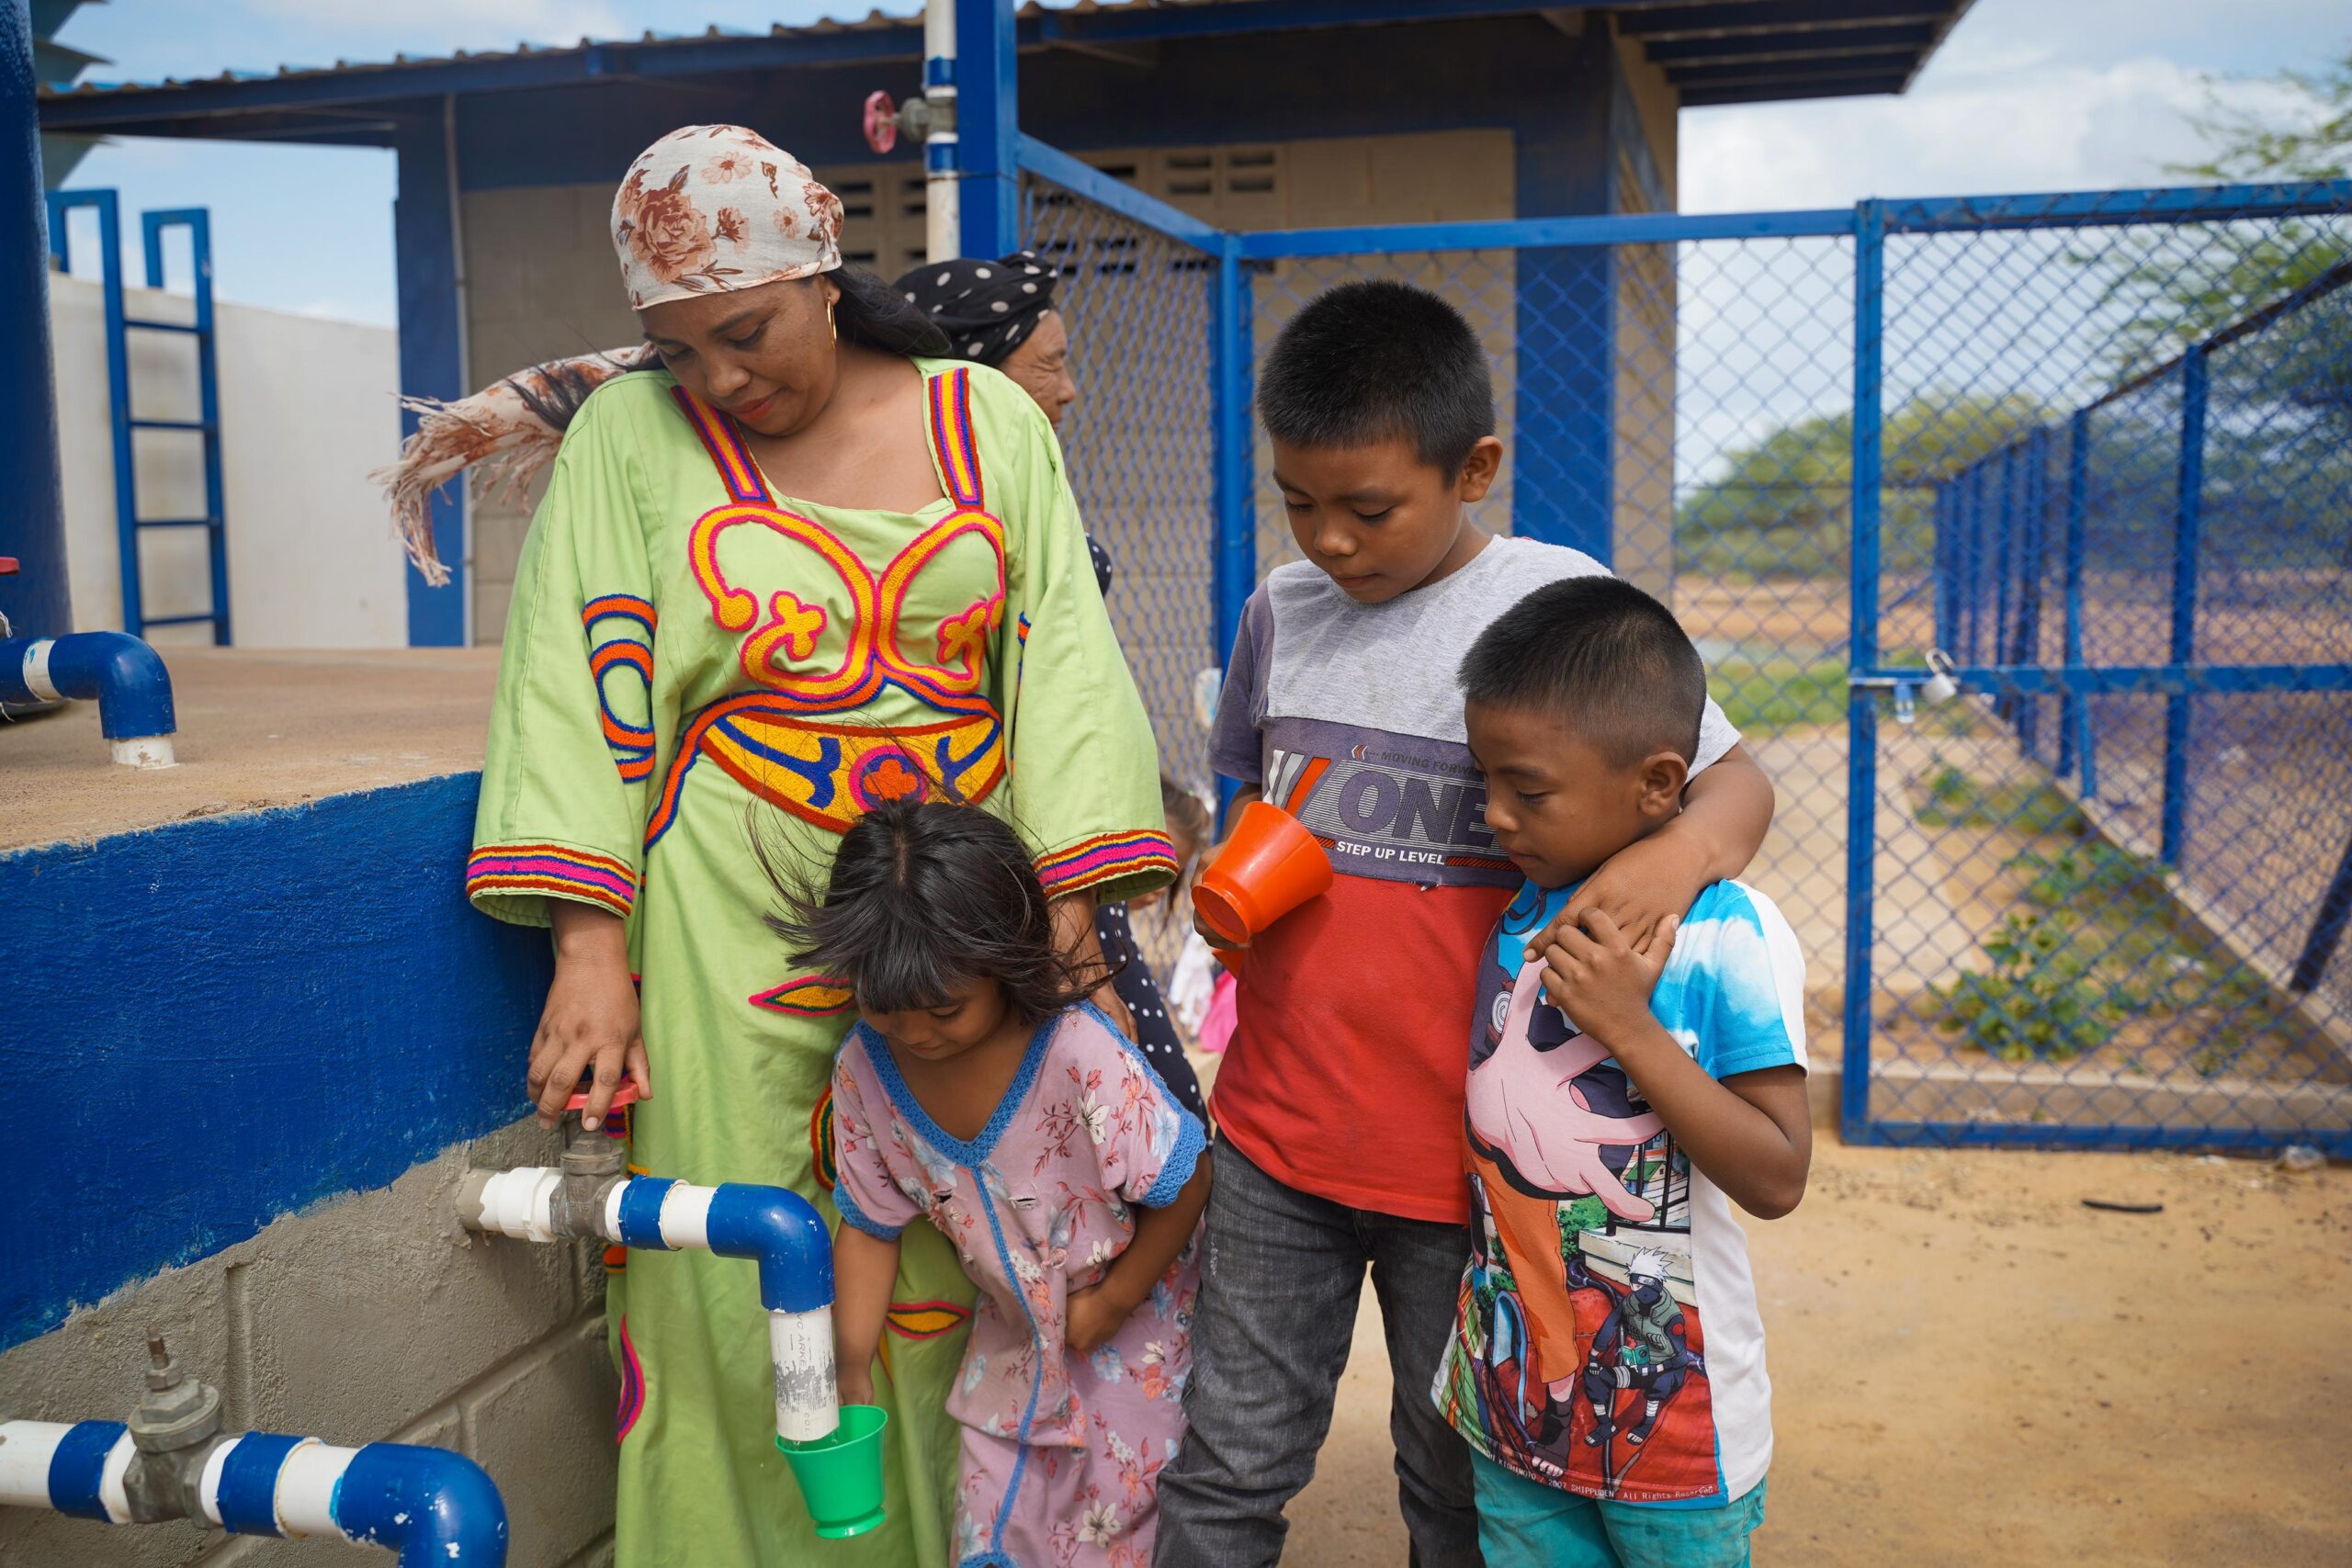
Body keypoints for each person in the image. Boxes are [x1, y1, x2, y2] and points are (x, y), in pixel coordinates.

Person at [442, 126, 1175, 1568]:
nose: (722, 379)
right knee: (732, 1262)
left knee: (964, 1248)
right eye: (680, 350)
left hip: (957, 922)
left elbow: (1064, 667)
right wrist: (592, 951)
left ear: (823, 275)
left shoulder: (988, 419)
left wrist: (1079, 898)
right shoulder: (628, 440)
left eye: (746, 332)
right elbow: (573, 680)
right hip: (724, 929)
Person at [1155, 280, 1779, 1567]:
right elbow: (1255, 793)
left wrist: (1673, 862)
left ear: (1473, 466)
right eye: (1299, 502)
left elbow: (1730, 778)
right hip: (1282, 1129)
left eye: (1369, 506)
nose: (1331, 538)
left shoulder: (1553, 600)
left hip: (1475, 1165)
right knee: (1228, 1457)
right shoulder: (1282, 610)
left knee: (1460, 1476)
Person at [1433, 574, 1810, 1568]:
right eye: (1485, 782)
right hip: (1512, 1403)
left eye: (1528, 790)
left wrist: (1627, 1030)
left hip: (1677, 1434)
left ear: (1654, 784)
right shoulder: (1519, 920)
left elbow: (1777, 1174)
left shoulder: (1731, 937)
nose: (1496, 816)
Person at [775, 798, 1211, 1567]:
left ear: (1006, 960)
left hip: (1137, 1331)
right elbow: (870, 1226)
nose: (914, 1034)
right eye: (884, 1008)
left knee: (1119, 1532)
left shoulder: (1077, 1049)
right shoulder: (863, 1072)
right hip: (1011, 1346)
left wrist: (1113, 1300)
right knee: (991, 1531)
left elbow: (1188, 1178)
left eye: (945, 1009)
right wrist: (848, 1366)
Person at [897, 251, 1209, 1122]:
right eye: (1048, 365)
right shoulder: (947, 525)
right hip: (994, 870)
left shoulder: (1032, 495)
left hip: (1058, 863)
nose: (1069, 391)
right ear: (977, 383)